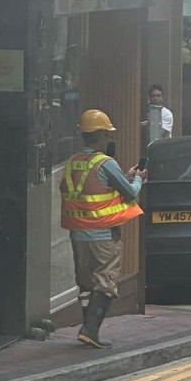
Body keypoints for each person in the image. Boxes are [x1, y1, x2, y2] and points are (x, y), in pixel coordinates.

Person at [59, 109, 145, 350]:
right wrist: (138, 178)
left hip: (78, 234)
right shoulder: (105, 163)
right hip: (103, 235)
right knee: (106, 282)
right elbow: (129, 192)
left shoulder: (73, 162)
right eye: (107, 135)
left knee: (86, 284)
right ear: (99, 136)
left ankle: (87, 329)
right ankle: (90, 329)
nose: (109, 139)